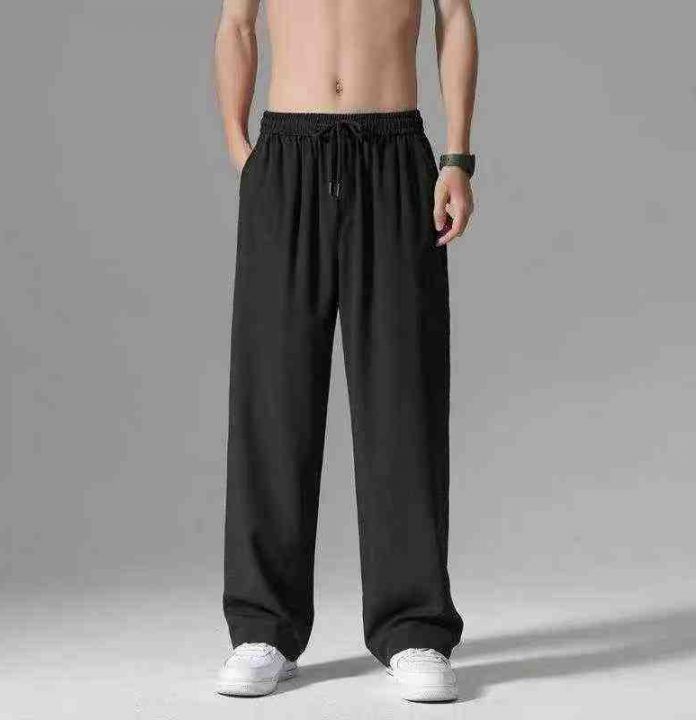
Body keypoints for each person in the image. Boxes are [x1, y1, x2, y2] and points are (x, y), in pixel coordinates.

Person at [212, 0, 477, 703]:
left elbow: (455, 17)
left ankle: (413, 628)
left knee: (403, 396)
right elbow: (236, 24)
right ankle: (263, 628)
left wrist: (456, 157)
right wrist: (241, 148)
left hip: (394, 151)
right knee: (273, 398)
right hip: (286, 152)